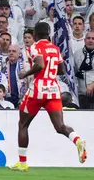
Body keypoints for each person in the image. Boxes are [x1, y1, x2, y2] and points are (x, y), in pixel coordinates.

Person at [9, 22, 87, 172]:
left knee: (23, 124)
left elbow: (39, 64)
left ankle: (22, 163)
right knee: (60, 126)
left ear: (36, 35)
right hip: (53, 88)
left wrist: (24, 74)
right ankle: (77, 139)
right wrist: (50, 71)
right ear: (49, 35)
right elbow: (61, 69)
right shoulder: (55, 48)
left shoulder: (34, 47)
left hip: (38, 89)